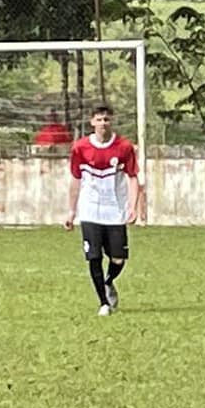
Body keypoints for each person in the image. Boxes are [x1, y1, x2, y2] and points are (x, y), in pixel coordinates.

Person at [63, 105, 139, 316]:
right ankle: (103, 303)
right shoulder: (80, 148)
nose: (103, 123)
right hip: (89, 210)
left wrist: (133, 207)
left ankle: (108, 280)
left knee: (118, 258)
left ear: (111, 121)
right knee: (93, 256)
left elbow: (133, 178)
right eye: (99, 119)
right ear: (92, 122)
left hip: (114, 209)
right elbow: (76, 180)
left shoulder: (124, 147)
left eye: (106, 119)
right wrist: (71, 212)